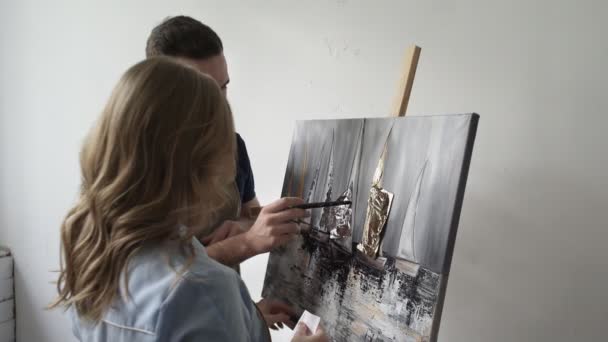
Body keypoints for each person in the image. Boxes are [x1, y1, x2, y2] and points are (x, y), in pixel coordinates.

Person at [50, 57, 327, 341]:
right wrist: (226, 316)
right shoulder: (202, 290)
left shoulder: (91, 250)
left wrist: (244, 319)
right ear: (202, 168)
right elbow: (186, 310)